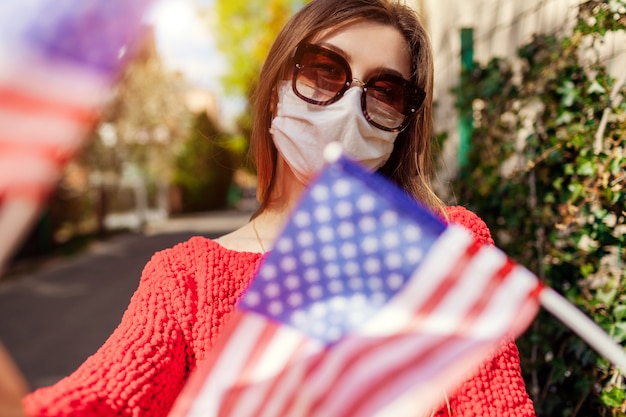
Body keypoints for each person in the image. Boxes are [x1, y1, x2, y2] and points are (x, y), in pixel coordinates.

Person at [8, 0, 536, 415]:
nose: (350, 106)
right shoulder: (187, 279)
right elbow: (109, 399)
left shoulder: (446, 245)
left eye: (385, 90)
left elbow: (497, 405)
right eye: (325, 71)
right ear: (277, 86)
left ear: (403, 122)